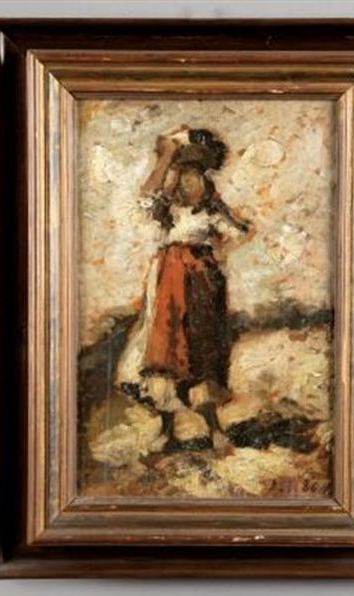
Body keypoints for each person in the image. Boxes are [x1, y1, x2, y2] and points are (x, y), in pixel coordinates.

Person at [115, 126, 252, 450]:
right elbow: (145, 198)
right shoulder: (168, 210)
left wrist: (216, 254)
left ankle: (214, 429)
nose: (188, 182)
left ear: (204, 178)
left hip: (201, 285)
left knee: (199, 350)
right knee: (166, 351)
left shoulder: (212, 209)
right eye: (183, 175)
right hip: (168, 284)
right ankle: (167, 430)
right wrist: (165, 158)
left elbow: (242, 231)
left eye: (194, 175)